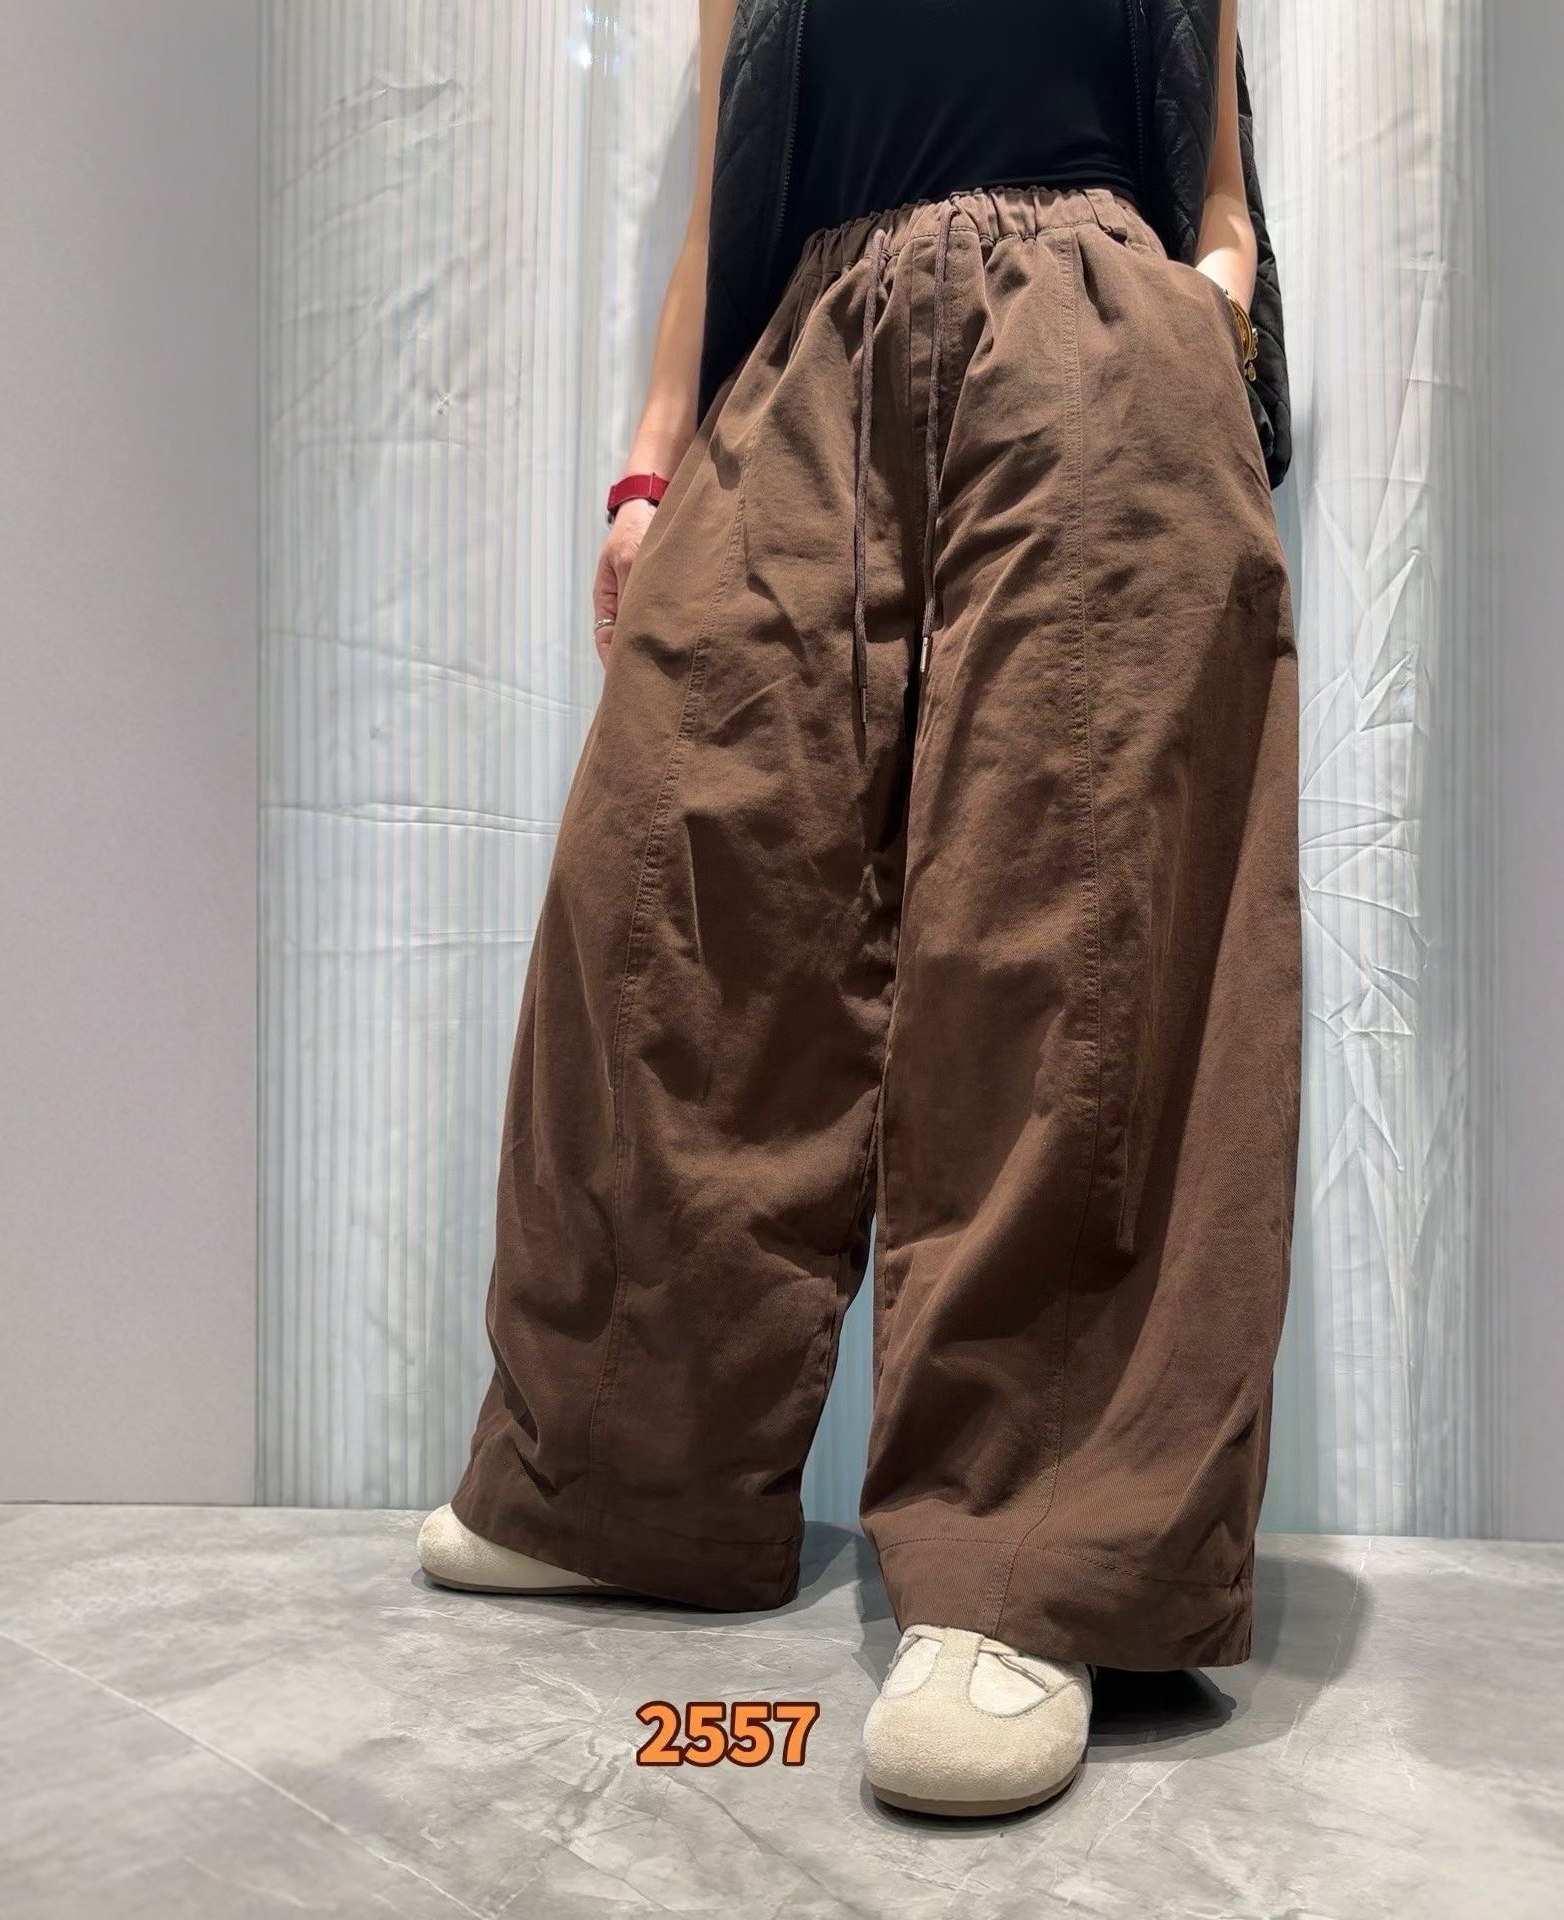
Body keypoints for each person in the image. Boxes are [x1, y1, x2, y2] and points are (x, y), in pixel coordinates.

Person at [417, 0, 1300, 1820]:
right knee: (673, 889)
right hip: (809, 348)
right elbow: (716, 207)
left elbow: (1216, 176)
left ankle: (1035, 1564)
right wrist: (653, 463)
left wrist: (1202, 308)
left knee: (1067, 935)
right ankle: (624, 1478)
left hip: (1092, 324)